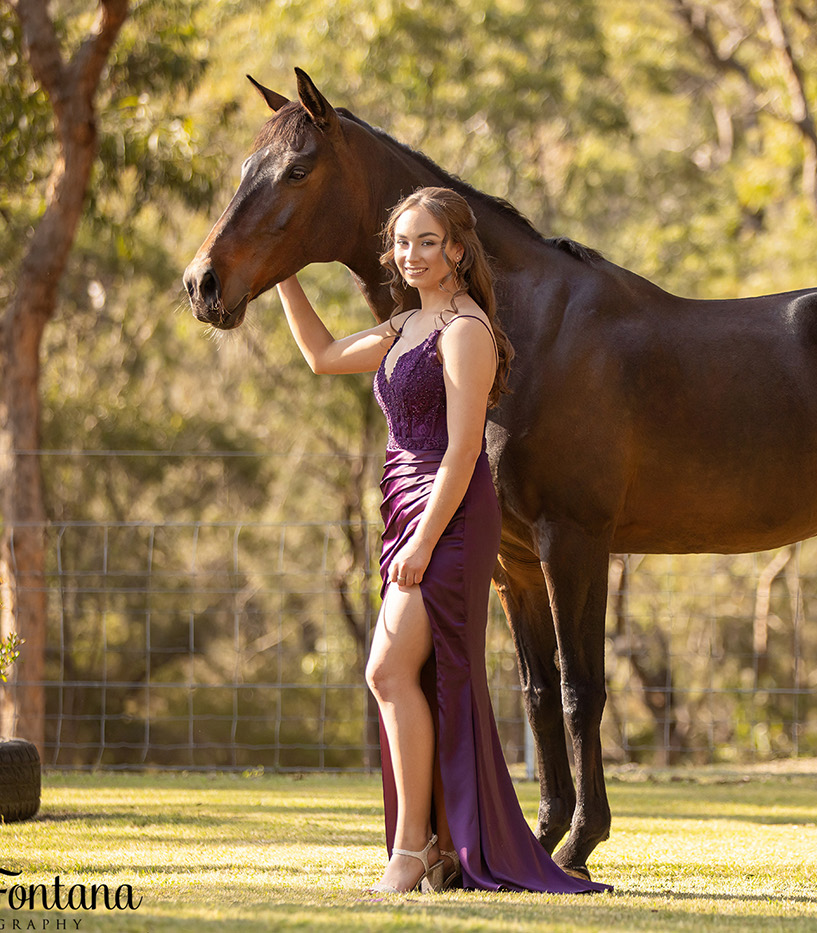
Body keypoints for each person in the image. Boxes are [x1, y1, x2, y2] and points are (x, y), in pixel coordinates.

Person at [275, 186, 609, 895]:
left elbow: (463, 453)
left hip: (448, 513)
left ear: (457, 248)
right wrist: (283, 275)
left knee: (387, 668)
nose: (412, 253)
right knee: (402, 674)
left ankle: (413, 847)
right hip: (405, 506)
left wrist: (424, 542)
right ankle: (427, 846)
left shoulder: (467, 332)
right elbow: (323, 354)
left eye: (427, 240)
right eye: (403, 242)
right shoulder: (404, 327)